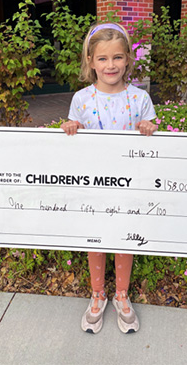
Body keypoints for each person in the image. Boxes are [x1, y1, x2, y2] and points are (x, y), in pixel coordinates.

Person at [61, 22, 157, 334]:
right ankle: (98, 293)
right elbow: (73, 130)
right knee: (97, 239)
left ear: (128, 59)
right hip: (94, 186)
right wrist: (71, 128)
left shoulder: (140, 98)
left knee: (124, 238)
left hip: (129, 184)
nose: (110, 65)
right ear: (90, 61)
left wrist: (148, 128)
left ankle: (122, 294)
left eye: (117, 57)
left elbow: (152, 131)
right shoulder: (82, 98)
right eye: (102, 58)